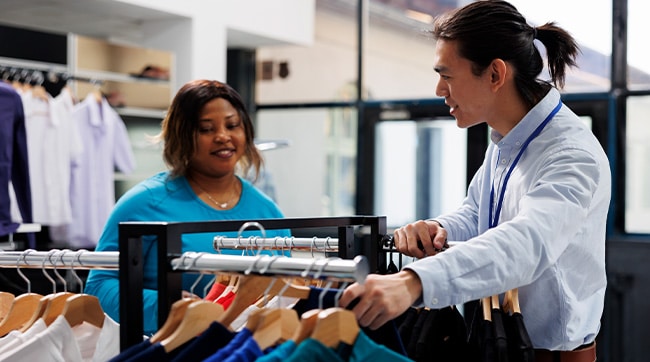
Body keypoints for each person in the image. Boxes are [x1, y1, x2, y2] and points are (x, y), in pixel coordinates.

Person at [340, 1, 610, 360]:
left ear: (496, 75)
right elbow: (477, 214)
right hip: (500, 347)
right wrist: (439, 229)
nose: (439, 89)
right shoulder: (505, 142)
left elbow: (526, 244)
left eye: (447, 75)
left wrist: (414, 282)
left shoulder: (570, 152)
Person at [85, 79, 290, 336]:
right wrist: (168, 305)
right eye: (206, 129)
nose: (223, 136)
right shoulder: (143, 203)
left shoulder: (267, 211)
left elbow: (287, 290)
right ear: (182, 135)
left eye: (232, 125)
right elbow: (99, 287)